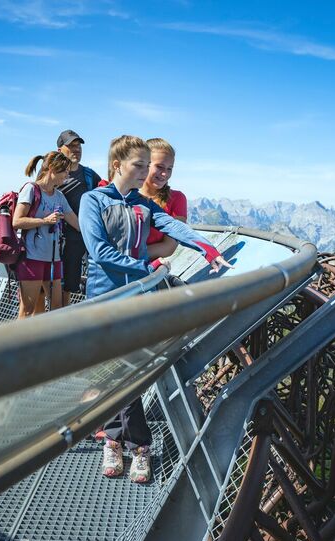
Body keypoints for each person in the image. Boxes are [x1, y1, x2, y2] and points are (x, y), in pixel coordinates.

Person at [80, 134, 233, 483]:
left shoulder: (142, 204)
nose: (145, 172)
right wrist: (145, 266)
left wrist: (207, 249)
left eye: (147, 166)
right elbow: (99, 251)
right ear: (117, 165)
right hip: (105, 300)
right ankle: (131, 444)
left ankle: (125, 443)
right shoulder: (93, 200)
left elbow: (173, 226)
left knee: (129, 371)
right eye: (139, 165)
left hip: (137, 299)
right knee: (114, 373)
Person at [13, 150, 80, 318]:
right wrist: (45, 221)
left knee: (57, 307)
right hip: (32, 257)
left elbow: (76, 223)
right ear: (52, 168)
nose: (67, 175)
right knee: (27, 311)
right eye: (65, 171)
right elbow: (17, 221)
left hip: (53, 259)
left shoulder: (59, 196)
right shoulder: (31, 189)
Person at [55, 129, 102, 305]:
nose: (77, 149)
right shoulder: (52, 174)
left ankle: (65, 319)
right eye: (71, 146)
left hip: (83, 241)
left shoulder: (90, 176)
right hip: (56, 239)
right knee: (52, 286)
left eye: (79, 146)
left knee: (69, 286)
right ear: (60, 150)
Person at [141, 138, 187, 261]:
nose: (165, 174)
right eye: (160, 167)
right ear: (144, 164)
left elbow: (168, 247)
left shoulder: (177, 199)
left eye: (169, 168)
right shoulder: (126, 193)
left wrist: (125, 257)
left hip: (146, 269)